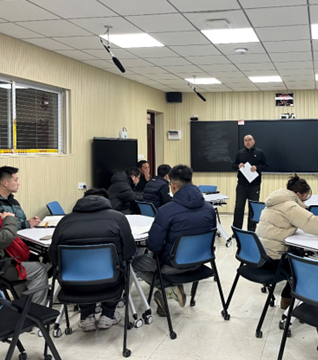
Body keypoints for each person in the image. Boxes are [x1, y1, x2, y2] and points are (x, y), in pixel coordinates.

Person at [132, 165, 216, 316]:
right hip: (201, 261)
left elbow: (154, 246)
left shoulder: (166, 211)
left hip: (174, 264)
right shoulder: (209, 209)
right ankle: (171, 289)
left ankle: (167, 288)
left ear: (172, 186)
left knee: (136, 264)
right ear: (192, 183)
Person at [48, 188, 136, 331]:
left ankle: (87, 316)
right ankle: (108, 315)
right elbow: (129, 252)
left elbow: (53, 257)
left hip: (74, 285)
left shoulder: (65, 222)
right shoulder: (118, 218)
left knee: (81, 273)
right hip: (111, 282)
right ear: (107, 201)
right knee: (124, 266)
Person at [256, 174, 318, 308]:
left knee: (298, 253)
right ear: (298, 194)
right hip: (275, 258)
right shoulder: (290, 206)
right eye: (305, 196)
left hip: (261, 255)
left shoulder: (276, 201)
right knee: (306, 266)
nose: (305, 200)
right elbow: (315, 225)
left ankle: (287, 298)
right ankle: (290, 299)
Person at [0, 175, 47, 305]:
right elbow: (3, 239)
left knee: (21, 261)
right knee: (39, 268)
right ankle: (35, 311)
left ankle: (22, 306)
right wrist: (9, 219)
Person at [232, 134, 268, 232]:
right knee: (239, 208)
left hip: (254, 185)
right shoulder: (240, 153)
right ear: (244, 142)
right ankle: (236, 230)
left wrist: (257, 167)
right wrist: (238, 166)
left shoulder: (260, 153)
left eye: (249, 140)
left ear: (253, 141)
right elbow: (233, 165)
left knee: (252, 208)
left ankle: (251, 231)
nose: (248, 142)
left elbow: (266, 166)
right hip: (242, 185)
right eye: (245, 140)